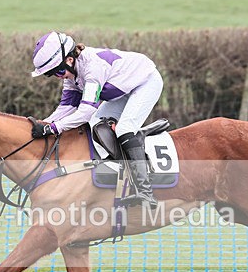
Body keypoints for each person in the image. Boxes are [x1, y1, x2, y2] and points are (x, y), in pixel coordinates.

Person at [29, 31, 162, 209]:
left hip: (145, 82)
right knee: (95, 125)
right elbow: (67, 107)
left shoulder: (92, 68)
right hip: (123, 91)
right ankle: (122, 174)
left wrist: (54, 128)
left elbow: (85, 111)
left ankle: (146, 191)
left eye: (59, 71)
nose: (60, 76)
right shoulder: (72, 74)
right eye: (53, 74)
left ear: (69, 60)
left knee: (124, 128)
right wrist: (44, 123)